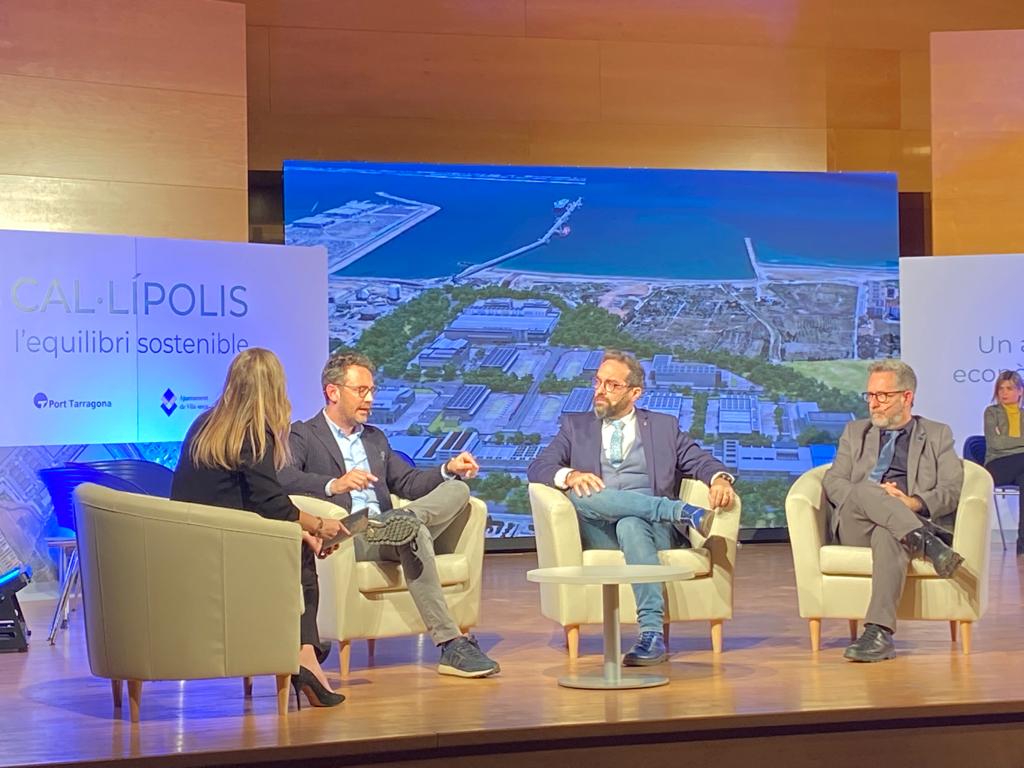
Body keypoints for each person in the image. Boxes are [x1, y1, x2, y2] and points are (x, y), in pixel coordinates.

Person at [278, 351, 500, 678]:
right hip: (352, 533)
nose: (370, 399)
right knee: (412, 529)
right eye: (361, 391)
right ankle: (451, 644)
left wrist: (447, 469)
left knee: (458, 491)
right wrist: (333, 483)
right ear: (333, 391)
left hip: (389, 529)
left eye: (372, 391)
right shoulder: (304, 435)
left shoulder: (375, 438)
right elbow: (283, 476)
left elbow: (407, 482)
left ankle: (408, 520)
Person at [527, 349, 736, 666]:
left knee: (631, 524)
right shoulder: (576, 426)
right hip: (599, 530)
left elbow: (701, 461)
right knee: (580, 492)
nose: (600, 390)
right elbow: (539, 466)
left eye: (611, 385)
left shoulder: (664, 427)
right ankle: (678, 510)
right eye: (598, 381)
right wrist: (569, 475)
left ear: (635, 393)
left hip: (653, 532)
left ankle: (650, 635)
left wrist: (720, 479)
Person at [170, 348, 346, 708]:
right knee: (299, 555)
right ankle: (304, 656)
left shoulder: (205, 424)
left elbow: (247, 503)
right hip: (222, 554)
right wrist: (320, 526)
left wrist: (301, 530)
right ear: (274, 388)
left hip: (191, 546)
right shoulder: (253, 433)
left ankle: (303, 647)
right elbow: (271, 504)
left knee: (296, 542)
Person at [823, 359, 964, 663]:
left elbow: (952, 489)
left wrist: (911, 503)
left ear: (907, 397)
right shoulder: (855, 432)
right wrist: (874, 497)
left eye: (883, 396)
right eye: (870, 395)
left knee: (888, 533)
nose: (874, 404)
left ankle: (878, 634)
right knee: (865, 488)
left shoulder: (937, 434)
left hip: (901, 525)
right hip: (856, 523)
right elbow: (833, 481)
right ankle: (929, 542)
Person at [983, 370, 1024, 556]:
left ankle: (1022, 543)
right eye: (1000, 388)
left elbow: (1005, 442)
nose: (1004, 393)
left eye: (1009, 388)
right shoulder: (992, 412)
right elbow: (996, 444)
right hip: (997, 465)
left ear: (1020, 391)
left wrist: (1010, 442)